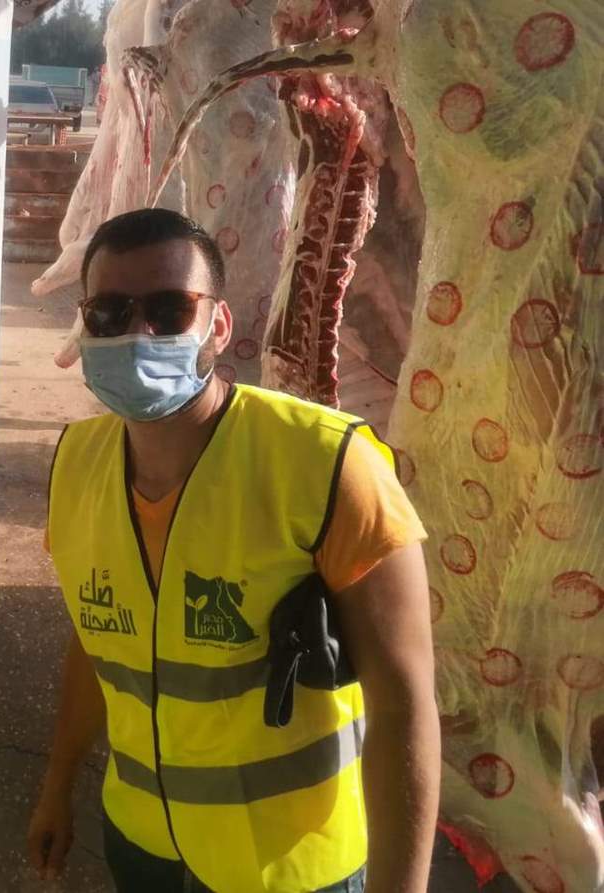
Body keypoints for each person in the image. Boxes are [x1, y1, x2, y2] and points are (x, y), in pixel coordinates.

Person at [27, 209, 439, 892]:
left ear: (218, 326)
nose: (138, 333)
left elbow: (404, 704)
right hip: (141, 842)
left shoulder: (326, 462)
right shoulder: (76, 462)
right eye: (109, 312)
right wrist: (58, 782)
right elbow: (94, 642)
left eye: (168, 309)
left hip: (287, 868)